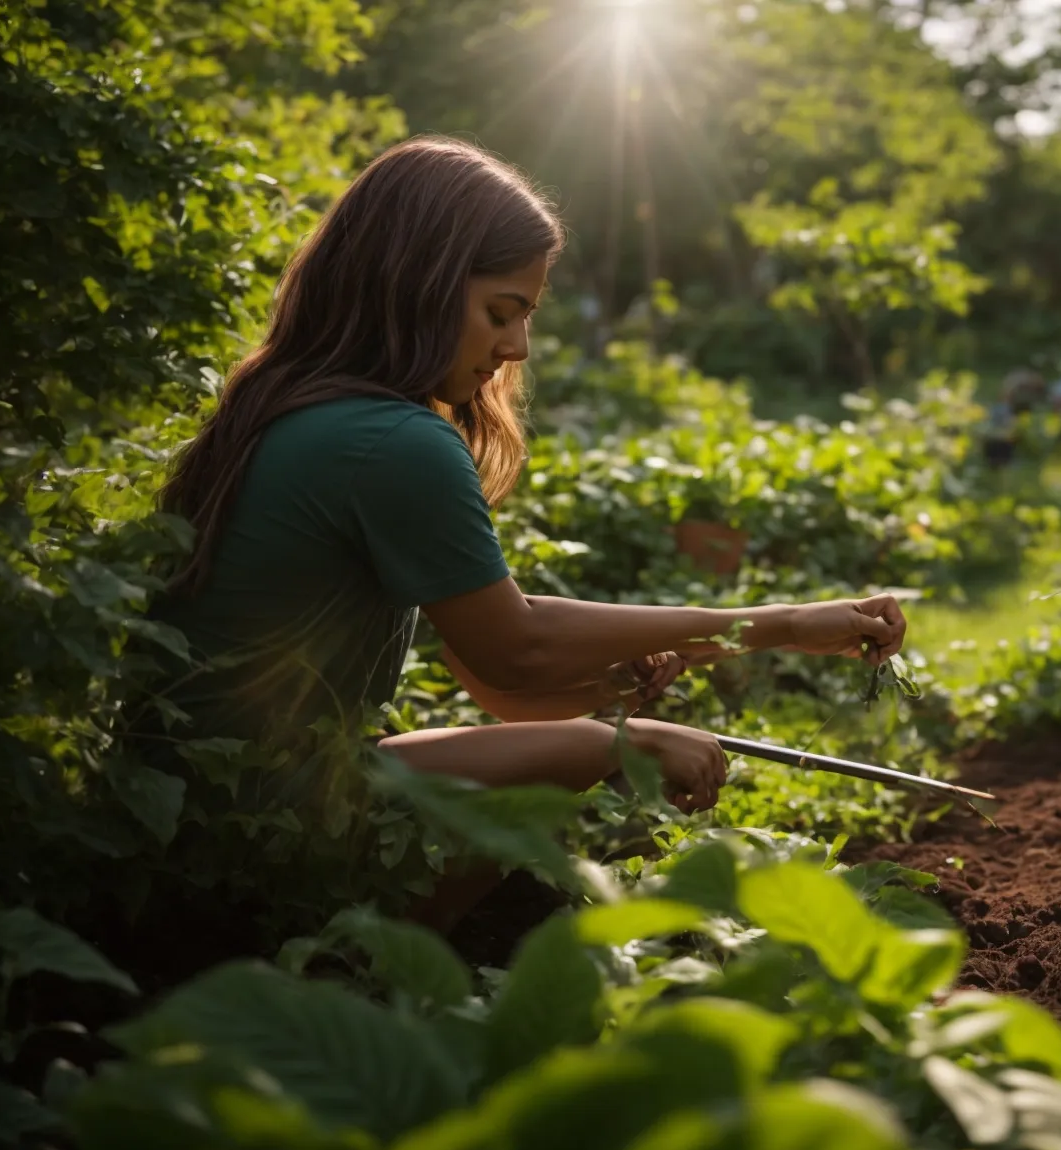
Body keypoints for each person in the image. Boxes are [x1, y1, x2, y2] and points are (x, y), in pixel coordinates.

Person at [149, 137, 907, 888]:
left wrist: (612, 687)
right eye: (499, 312)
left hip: (191, 815)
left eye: (526, 317)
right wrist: (652, 719)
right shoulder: (389, 441)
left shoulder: (304, 409)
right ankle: (383, 982)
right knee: (607, 752)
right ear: (417, 283)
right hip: (262, 825)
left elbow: (496, 679)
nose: (515, 347)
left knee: (589, 740)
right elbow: (520, 649)